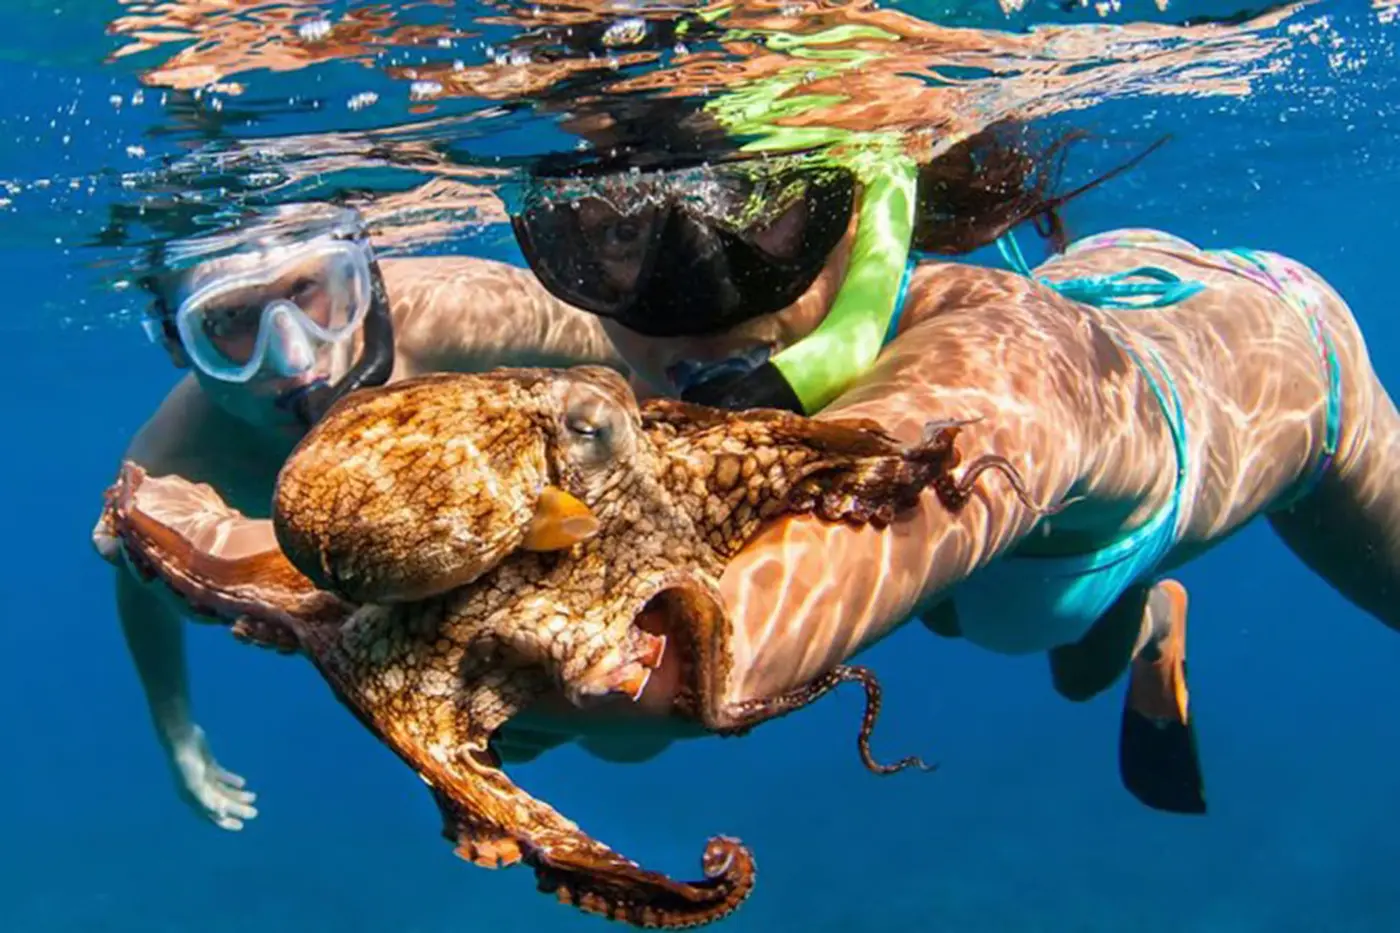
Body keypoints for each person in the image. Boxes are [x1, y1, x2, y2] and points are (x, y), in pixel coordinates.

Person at [92, 201, 625, 830]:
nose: (293, 360)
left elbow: (634, 355)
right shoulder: (177, 460)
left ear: (362, 282)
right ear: (179, 344)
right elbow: (138, 578)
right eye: (232, 320)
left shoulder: (457, 314)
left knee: (627, 739)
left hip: (586, 538)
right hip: (437, 634)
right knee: (619, 740)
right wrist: (176, 731)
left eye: (308, 291)